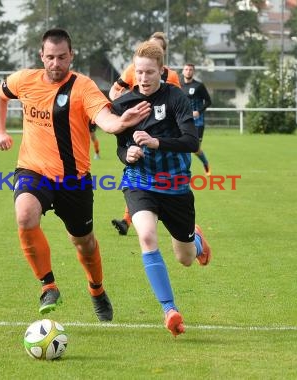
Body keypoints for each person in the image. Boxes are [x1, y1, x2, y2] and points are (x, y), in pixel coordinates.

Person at [0, 28, 151, 322]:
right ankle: (48, 286)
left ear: (71, 55)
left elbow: (104, 119)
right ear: (41, 56)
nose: (55, 63)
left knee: (84, 242)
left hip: (73, 180)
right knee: (25, 216)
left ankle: (97, 290)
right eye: (50, 57)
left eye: (62, 57)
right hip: (33, 170)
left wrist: (119, 123)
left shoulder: (83, 87)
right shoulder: (24, 80)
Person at [111, 41, 212, 337]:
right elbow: (120, 147)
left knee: (184, 258)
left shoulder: (177, 98)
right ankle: (170, 310)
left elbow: (192, 142)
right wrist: (127, 154)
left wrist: (157, 142)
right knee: (146, 235)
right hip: (139, 181)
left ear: (162, 71)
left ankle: (196, 242)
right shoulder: (124, 104)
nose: (143, 78)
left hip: (176, 185)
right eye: (138, 72)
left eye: (149, 73)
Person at [110, 31, 180, 236]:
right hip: (137, 128)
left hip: (164, 137)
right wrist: (119, 110)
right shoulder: (133, 69)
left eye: (157, 48)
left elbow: (177, 105)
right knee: (137, 173)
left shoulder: (173, 77)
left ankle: (187, 232)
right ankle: (127, 220)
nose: (143, 77)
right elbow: (116, 89)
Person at [181, 63, 212, 176]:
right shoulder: (178, 85)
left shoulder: (199, 86)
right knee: (181, 145)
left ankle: (205, 163)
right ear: (183, 71)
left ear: (193, 72)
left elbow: (208, 101)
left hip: (197, 122)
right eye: (186, 69)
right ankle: (182, 172)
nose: (188, 71)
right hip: (183, 121)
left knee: (195, 148)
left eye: (190, 69)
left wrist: (198, 111)